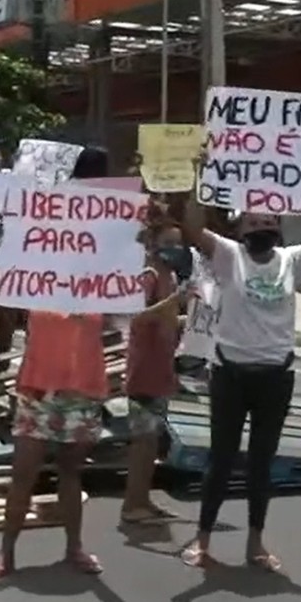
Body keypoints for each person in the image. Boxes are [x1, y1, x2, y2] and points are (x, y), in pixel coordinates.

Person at [179, 195, 301, 569]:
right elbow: (193, 230)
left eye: (269, 222)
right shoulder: (228, 256)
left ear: (278, 229)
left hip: (276, 377)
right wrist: (198, 179)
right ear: (240, 230)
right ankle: (203, 539)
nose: (262, 228)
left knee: (262, 463)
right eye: (254, 223)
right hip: (230, 374)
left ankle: (255, 543)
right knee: (222, 460)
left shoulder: (292, 260)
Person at [0, 146, 114, 582]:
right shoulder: (36, 253)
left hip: (83, 383)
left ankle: (74, 547)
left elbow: (126, 305)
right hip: (38, 383)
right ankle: (6, 554)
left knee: (73, 471)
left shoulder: (109, 254)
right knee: (24, 472)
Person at [120, 203, 191, 523]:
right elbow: (136, 318)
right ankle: (133, 504)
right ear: (152, 244)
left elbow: (166, 319)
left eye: (178, 243)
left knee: (152, 444)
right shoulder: (147, 276)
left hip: (162, 368)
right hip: (144, 371)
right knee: (143, 442)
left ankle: (143, 500)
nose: (175, 249)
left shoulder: (170, 275)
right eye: (168, 243)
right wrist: (175, 302)